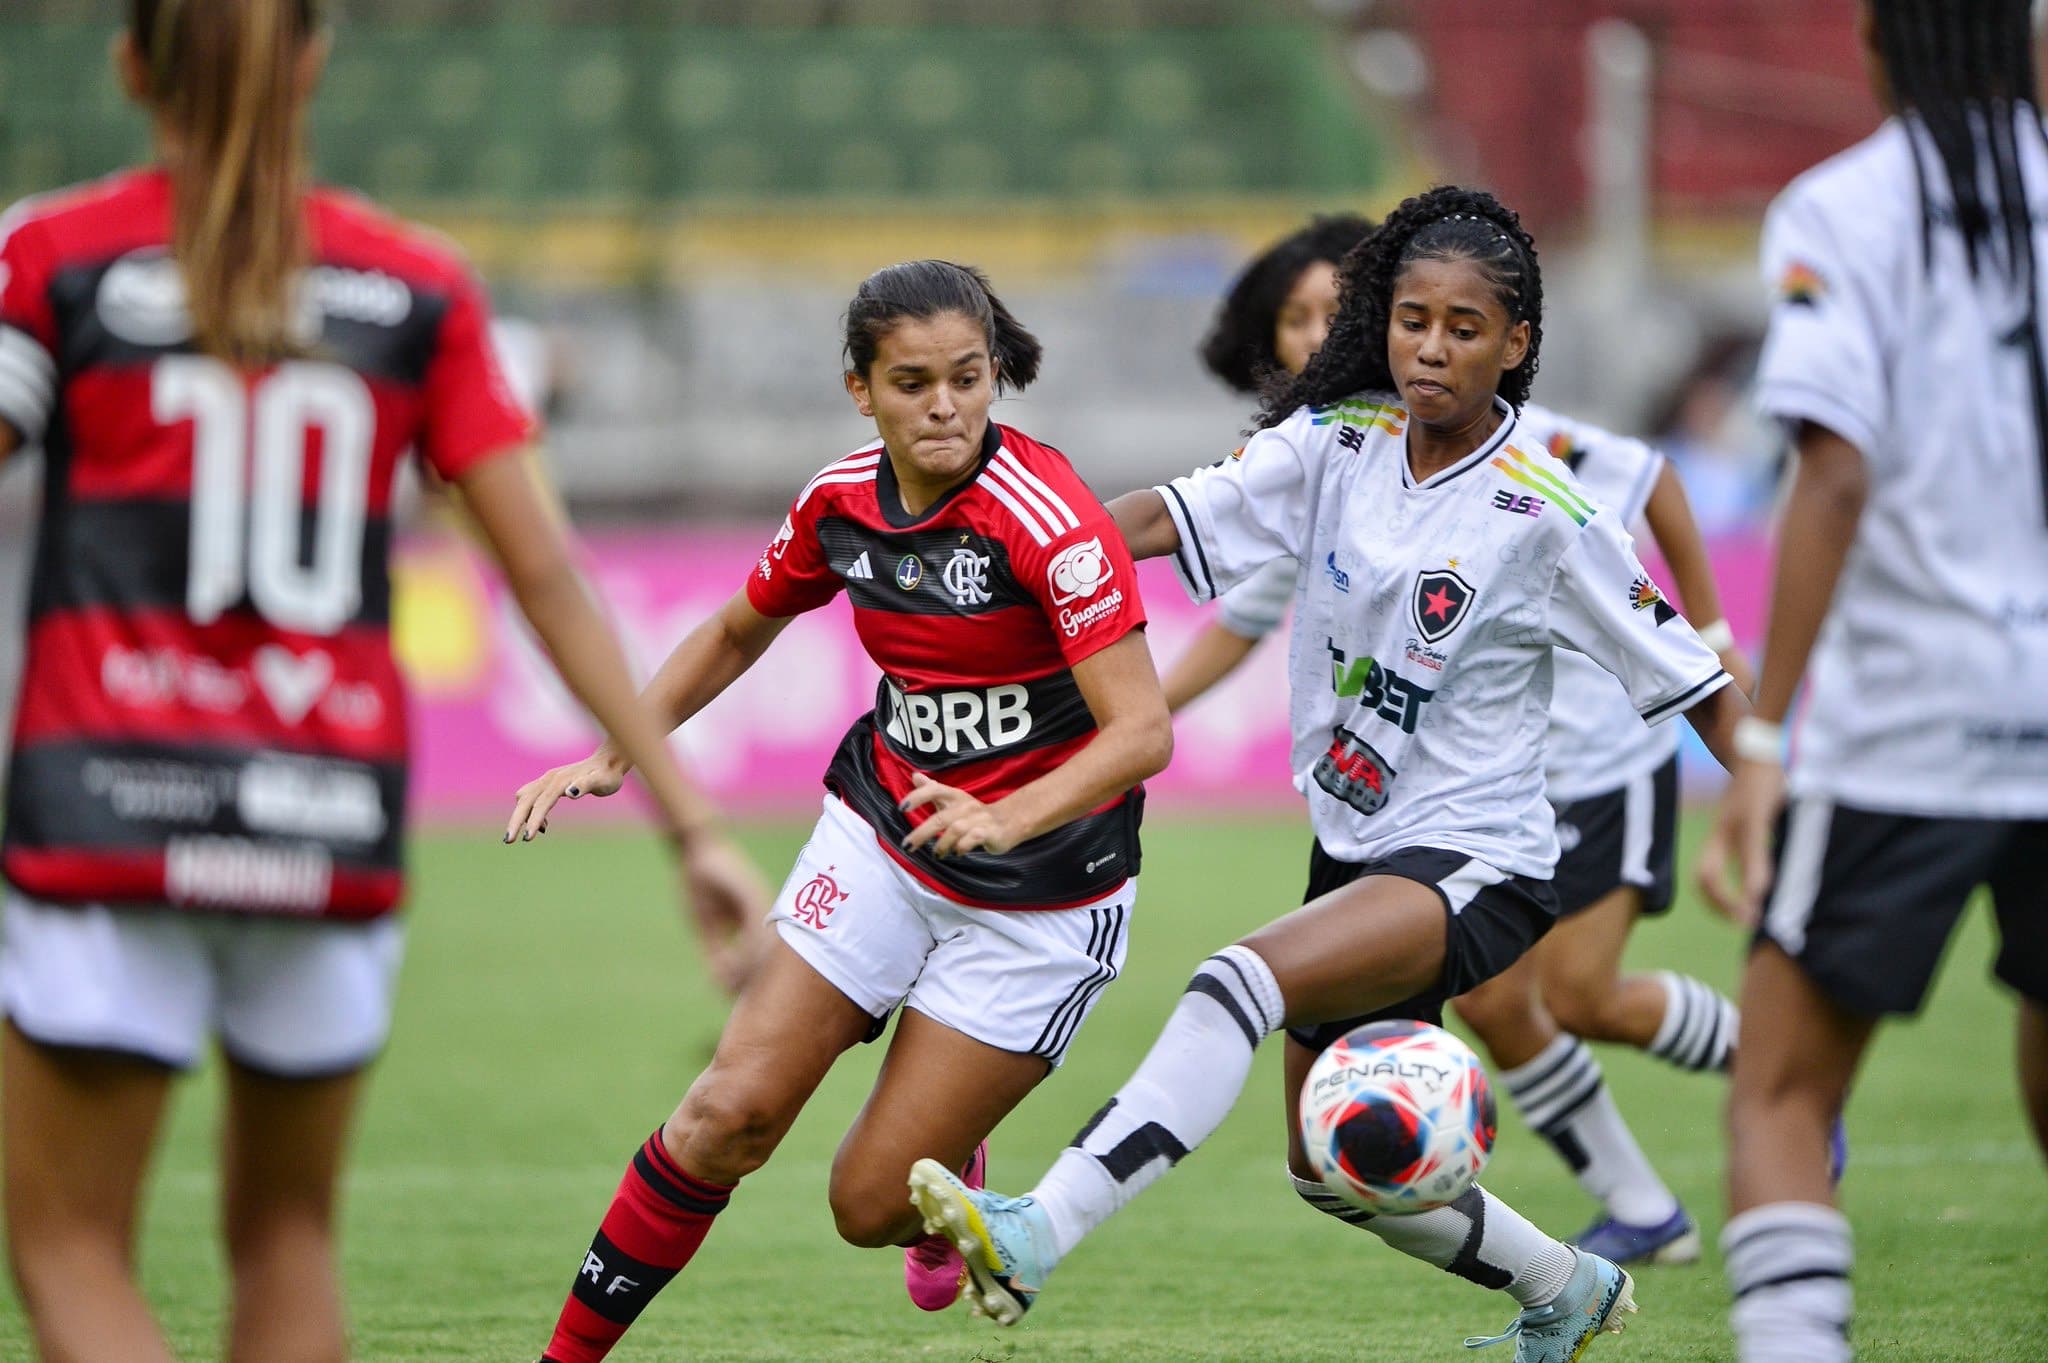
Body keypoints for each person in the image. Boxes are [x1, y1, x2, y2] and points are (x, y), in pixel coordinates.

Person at [0, 3, 762, 1361]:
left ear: (128, 69)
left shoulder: (53, 254)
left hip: (104, 797)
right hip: (327, 811)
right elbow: (546, 574)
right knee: (289, 1236)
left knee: (68, 1244)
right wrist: (692, 824)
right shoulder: (414, 284)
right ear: (317, 58)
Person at [910, 186, 1753, 1362]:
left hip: (1477, 863)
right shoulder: (1333, 441)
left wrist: (1763, 805)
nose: (1430, 347)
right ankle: (1567, 1287)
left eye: (1464, 328)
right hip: (1357, 843)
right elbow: (1169, 515)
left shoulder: (1546, 512)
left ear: (1516, 346)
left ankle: (1037, 1229)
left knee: (1233, 981)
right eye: (1412, 319)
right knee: (1329, 1173)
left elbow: (1699, 683)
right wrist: (1033, 545)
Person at [506, 259, 1173, 1363]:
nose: (946, 405)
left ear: (994, 373)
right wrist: (618, 750)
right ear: (860, 389)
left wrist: (1005, 818)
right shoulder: (839, 500)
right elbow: (734, 629)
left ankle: (955, 1156)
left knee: (863, 1204)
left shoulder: (1046, 521)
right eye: (912, 382)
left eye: (968, 376)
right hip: (885, 831)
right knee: (725, 1115)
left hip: (1043, 898)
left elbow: (1140, 732)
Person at [1164, 216, 1759, 1263]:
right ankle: (1633, 1214)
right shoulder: (1344, 456)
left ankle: (1775, 1071)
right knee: (1493, 1000)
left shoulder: (1518, 449)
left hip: (1588, 753)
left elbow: (1647, 482)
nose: (1311, 338)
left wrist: (1709, 639)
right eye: (1293, 321)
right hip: (1457, 790)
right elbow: (1240, 618)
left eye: (1322, 315)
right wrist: (1135, 716)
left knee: (1573, 994)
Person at [1698, 3, 2048, 1360]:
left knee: (1781, 1087)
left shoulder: (1846, 209)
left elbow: (1833, 468)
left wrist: (1769, 730)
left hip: (1914, 720)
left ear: (1879, 41)